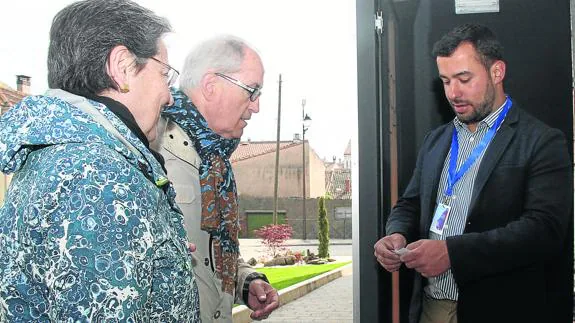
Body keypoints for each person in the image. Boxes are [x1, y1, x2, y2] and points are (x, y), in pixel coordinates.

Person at [0, 0, 200, 321]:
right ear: (122, 67)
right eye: (164, 74)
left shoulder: (70, 154)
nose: (169, 95)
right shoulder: (99, 176)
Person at [373, 24, 572, 323]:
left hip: (501, 309)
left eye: (464, 78)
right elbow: (410, 203)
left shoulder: (542, 141)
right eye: (445, 81)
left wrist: (453, 253)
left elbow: (544, 230)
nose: (453, 92)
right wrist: (396, 233)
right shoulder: (435, 141)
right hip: (432, 307)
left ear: (497, 72)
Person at [152, 35, 279, 322]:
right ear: (211, 85)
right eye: (252, 91)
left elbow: (211, 250)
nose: (256, 106)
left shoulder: (215, 159)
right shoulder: (150, 147)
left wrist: (246, 281)